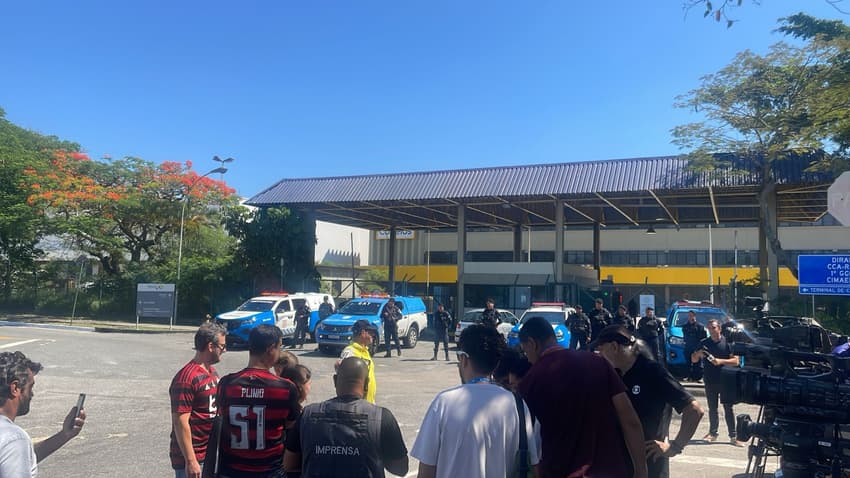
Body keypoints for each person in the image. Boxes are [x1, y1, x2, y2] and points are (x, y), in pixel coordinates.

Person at [518, 316, 647, 478]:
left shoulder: (531, 380)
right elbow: (630, 420)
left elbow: (528, 442)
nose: (528, 358)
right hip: (609, 471)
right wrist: (641, 470)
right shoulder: (599, 363)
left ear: (532, 343)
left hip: (560, 471)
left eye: (525, 350)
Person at [411, 325, 539, 478]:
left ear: (464, 359)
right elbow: (533, 466)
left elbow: (426, 472)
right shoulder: (517, 406)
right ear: (496, 364)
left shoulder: (443, 403)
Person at [594, 326, 704, 478]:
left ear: (614, 347)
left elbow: (694, 410)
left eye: (601, 349)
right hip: (620, 463)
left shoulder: (652, 372)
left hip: (650, 464)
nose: (599, 354)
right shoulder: (616, 374)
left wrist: (674, 447)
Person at [283, 357, 409, 478]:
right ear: (366, 385)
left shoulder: (307, 415)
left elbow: (289, 464)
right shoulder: (382, 418)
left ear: (335, 380)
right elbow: (401, 468)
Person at [216, 325, 301, 477]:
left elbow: (222, 418)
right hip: (269, 470)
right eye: (279, 346)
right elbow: (290, 425)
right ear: (270, 349)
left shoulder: (226, 384)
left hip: (231, 469)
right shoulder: (286, 388)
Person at [0, 351, 87, 478]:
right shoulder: (14, 438)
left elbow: (21, 458)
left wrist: (64, 435)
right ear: (15, 388)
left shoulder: (12, 443)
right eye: (31, 387)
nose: (32, 394)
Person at [169, 322, 227, 478]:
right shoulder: (186, 378)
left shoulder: (212, 372)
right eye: (222, 346)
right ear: (210, 346)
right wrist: (191, 460)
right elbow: (180, 422)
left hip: (208, 453)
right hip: (192, 458)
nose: (224, 350)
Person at [691, 319, 745, 446]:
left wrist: (720, 361)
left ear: (719, 328)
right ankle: (713, 433)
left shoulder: (728, 343)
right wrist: (697, 354)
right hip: (710, 380)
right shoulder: (704, 343)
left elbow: (736, 361)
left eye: (713, 328)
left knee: (728, 408)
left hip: (726, 380)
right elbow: (693, 360)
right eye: (709, 328)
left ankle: (733, 436)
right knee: (712, 409)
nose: (711, 330)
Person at [339, 319, 378, 403]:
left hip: (368, 402)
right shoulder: (350, 351)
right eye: (371, 332)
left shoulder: (365, 351)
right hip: (356, 404)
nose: (373, 335)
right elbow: (342, 373)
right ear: (363, 333)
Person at [682, 311, 707, 382]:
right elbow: (685, 337)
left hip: (697, 347)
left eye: (692, 316)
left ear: (695, 316)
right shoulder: (685, 326)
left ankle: (699, 378)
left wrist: (700, 348)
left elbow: (703, 338)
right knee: (688, 363)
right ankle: (688, 376)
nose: (690, 317)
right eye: (689, 316)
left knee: (698, 364)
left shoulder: (700, 326)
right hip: (688, 347)